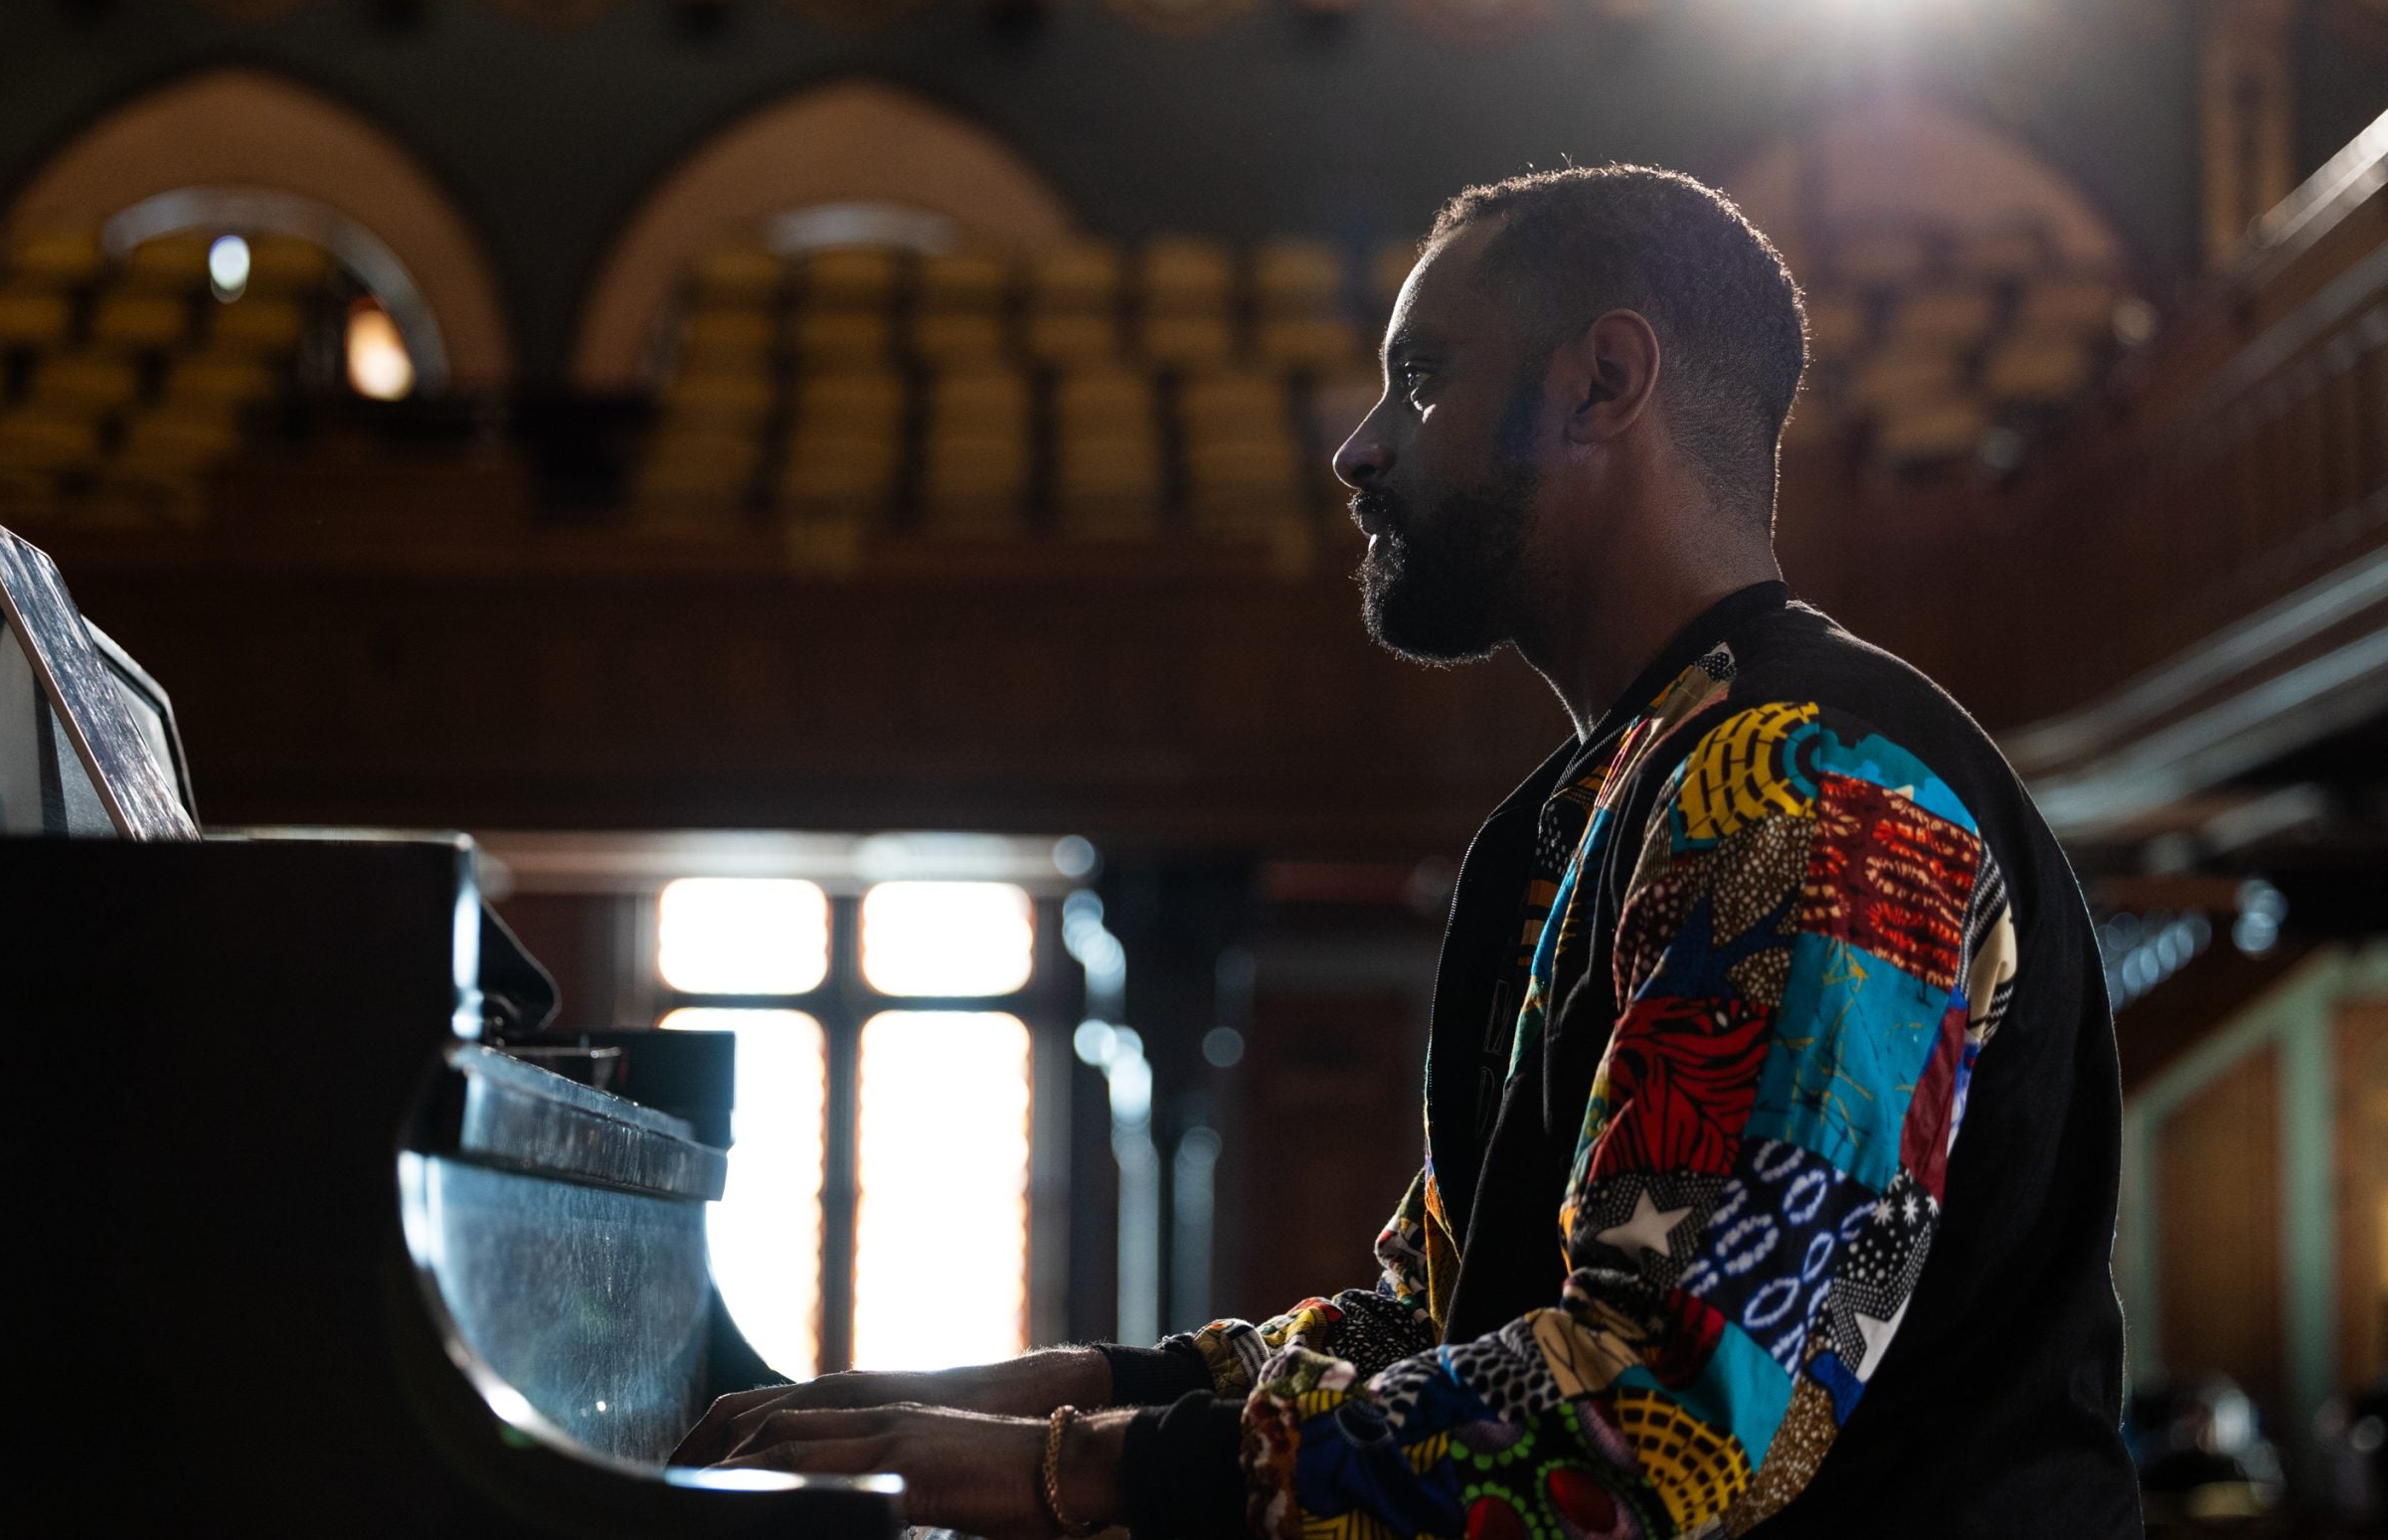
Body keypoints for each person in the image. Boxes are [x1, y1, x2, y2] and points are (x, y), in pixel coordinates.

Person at [678, 166, 2144, 1538]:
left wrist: (1077, 1469)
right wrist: (1072, 1387)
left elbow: (1663, 1418)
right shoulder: (1615, 795)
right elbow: (1430, 1318)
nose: (1358, 445)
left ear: (1604, 383)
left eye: (1426, 378)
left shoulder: (1813, 787)